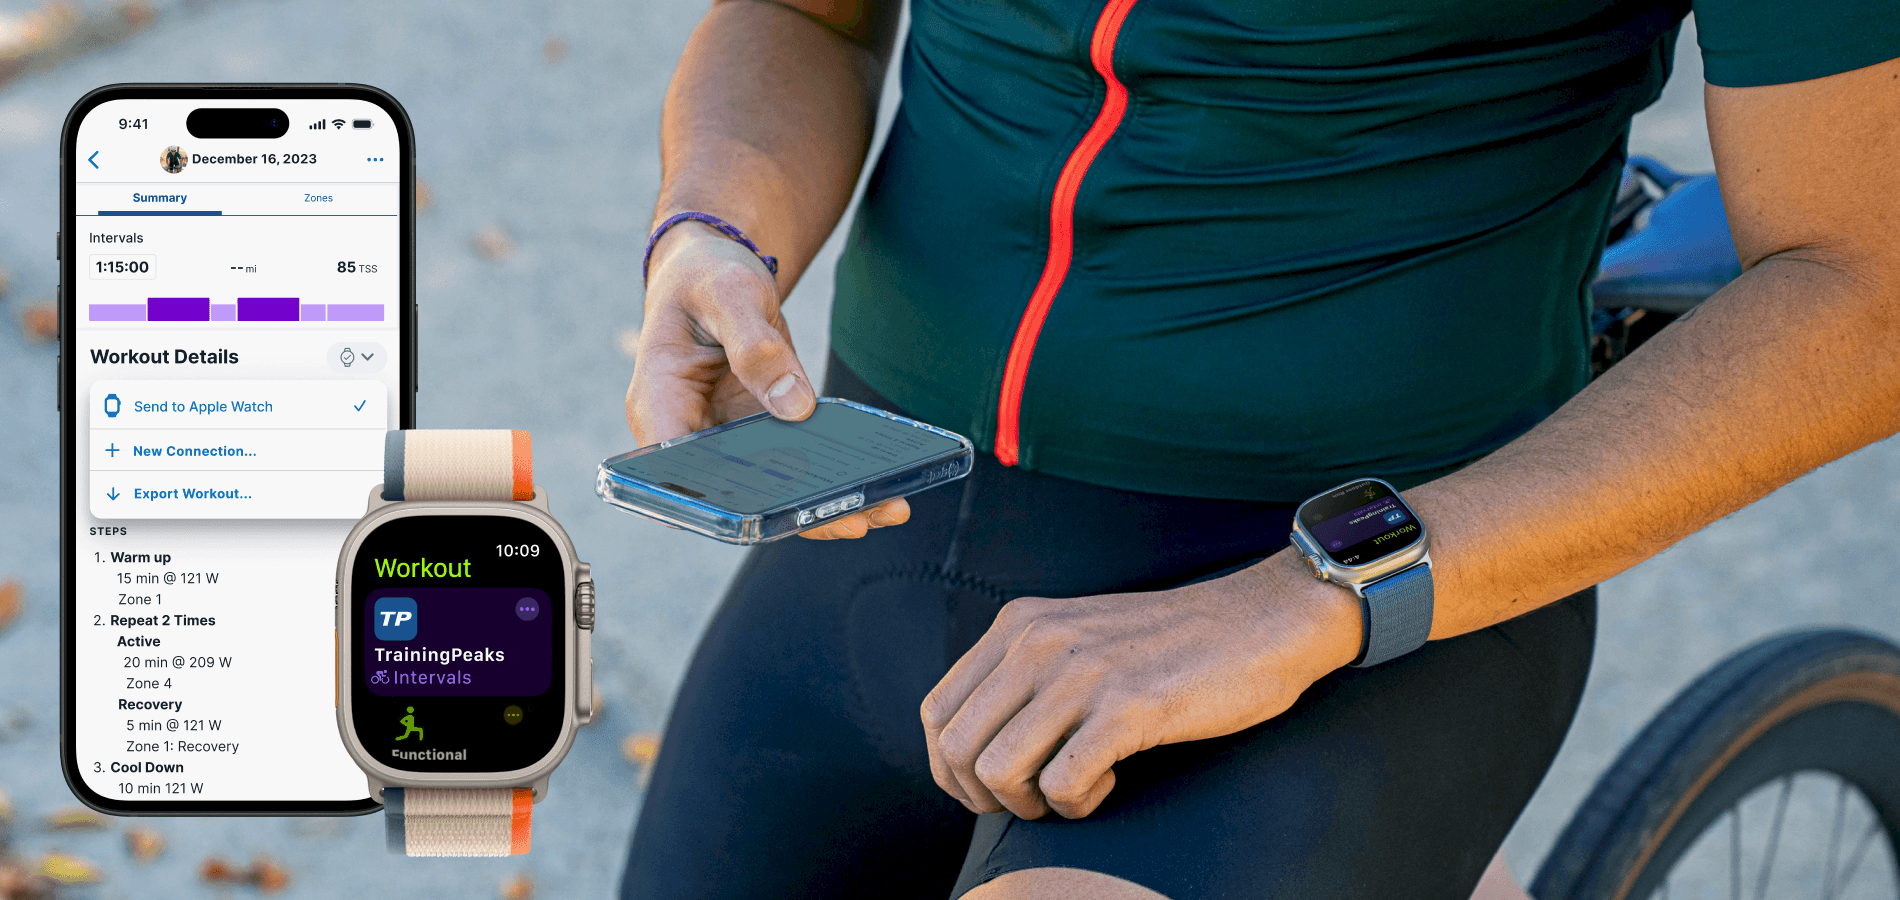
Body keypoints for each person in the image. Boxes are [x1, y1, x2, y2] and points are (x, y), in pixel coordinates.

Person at [619, 1, 1900, 898]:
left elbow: (1866, 297)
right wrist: (714, 229)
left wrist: (1310, 596)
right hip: (875, 546)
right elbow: (805, 17)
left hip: (1354, 620)